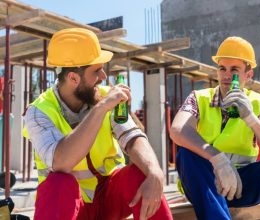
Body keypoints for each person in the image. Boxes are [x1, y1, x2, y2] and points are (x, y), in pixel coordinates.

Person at [23, 28, 173, 220]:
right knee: (58, 182)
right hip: (72, 209)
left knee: (144, 173)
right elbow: (60, 162)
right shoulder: (39, 112)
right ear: (73, 78)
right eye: (96, 71)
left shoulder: (104, 96)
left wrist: (155, 172)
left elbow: (132, 136)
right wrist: (100, 108)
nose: (103, 76)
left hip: (110, 197)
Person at [170, 36, 260, 220]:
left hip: (243, 186)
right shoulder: (199, 97)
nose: (226, 75)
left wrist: (250, 118)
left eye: (234, 69)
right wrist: (217, 159)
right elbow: (177, 130)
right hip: (206, 185)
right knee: (186, 155)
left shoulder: (259, 102)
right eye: (222, 68)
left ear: (248, 75)